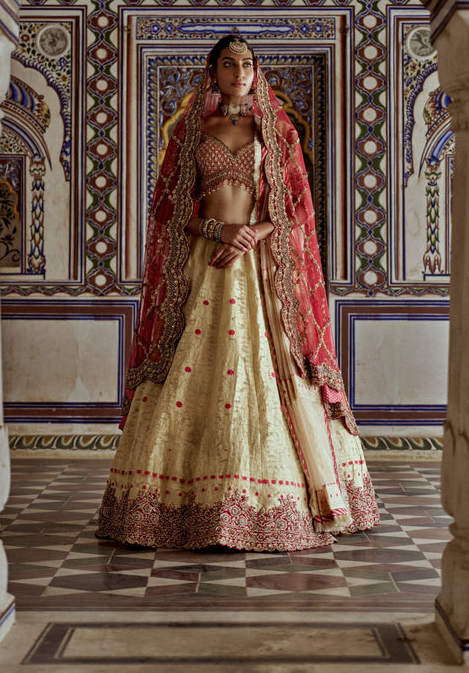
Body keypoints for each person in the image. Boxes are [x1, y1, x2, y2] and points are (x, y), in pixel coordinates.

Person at [96, 34, 379, 551]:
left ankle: (283, 505)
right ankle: (181, 510)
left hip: (263, 271)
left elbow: (295, 210)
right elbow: (168, 213)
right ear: (212, 71)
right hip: (205, 265)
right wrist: (220, 232)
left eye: (247, 64)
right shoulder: (190, 131)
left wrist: (252, 233)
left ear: (256, 71)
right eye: (229, 63)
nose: (239, 72)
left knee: (273, 371)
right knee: (191, 366)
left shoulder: (277, 130)